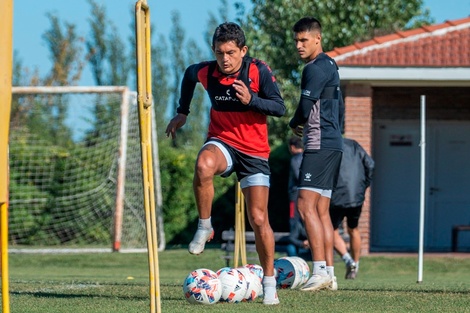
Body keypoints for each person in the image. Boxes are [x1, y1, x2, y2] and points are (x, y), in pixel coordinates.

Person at [165, 22, 285, 305]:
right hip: (223, 141)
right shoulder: (207, 71)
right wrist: (183, 111)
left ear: (243, 50)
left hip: (255, 152)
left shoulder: (258, 71)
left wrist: (252, 100)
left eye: (231, 52)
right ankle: (205, 226)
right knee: (203, 165)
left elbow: (279, 107)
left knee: (258, 219)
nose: (225, 59)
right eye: (219, 53)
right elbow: (188, 74)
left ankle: (269, 284)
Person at [289, 17, 344, 292]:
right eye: (296, 40)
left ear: (317, 39)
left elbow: (305, 104)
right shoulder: (331, 64)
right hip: (334, 143)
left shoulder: (314, 68)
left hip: (320, 144)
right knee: (321, 210)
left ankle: (319, 269)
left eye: (304, 40)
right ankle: (330, 275)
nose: (298, 45)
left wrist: (293, 123)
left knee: (304, 206)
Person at [330, 137, 374, 279]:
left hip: (336, 195)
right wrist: (363, 187)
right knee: (353, 229)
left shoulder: (329, 143)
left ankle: (348, 260)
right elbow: (370, 165)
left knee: (331, 230)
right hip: (356, 195)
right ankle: (356, 264)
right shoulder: (354, 145)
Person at [286, 136, 310, 259]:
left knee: (294, 222)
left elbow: (298, 175)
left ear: (292, 147)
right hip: (309, 195)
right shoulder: (308, 158)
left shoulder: (295, 159)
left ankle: (295, 257)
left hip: (295, 195)